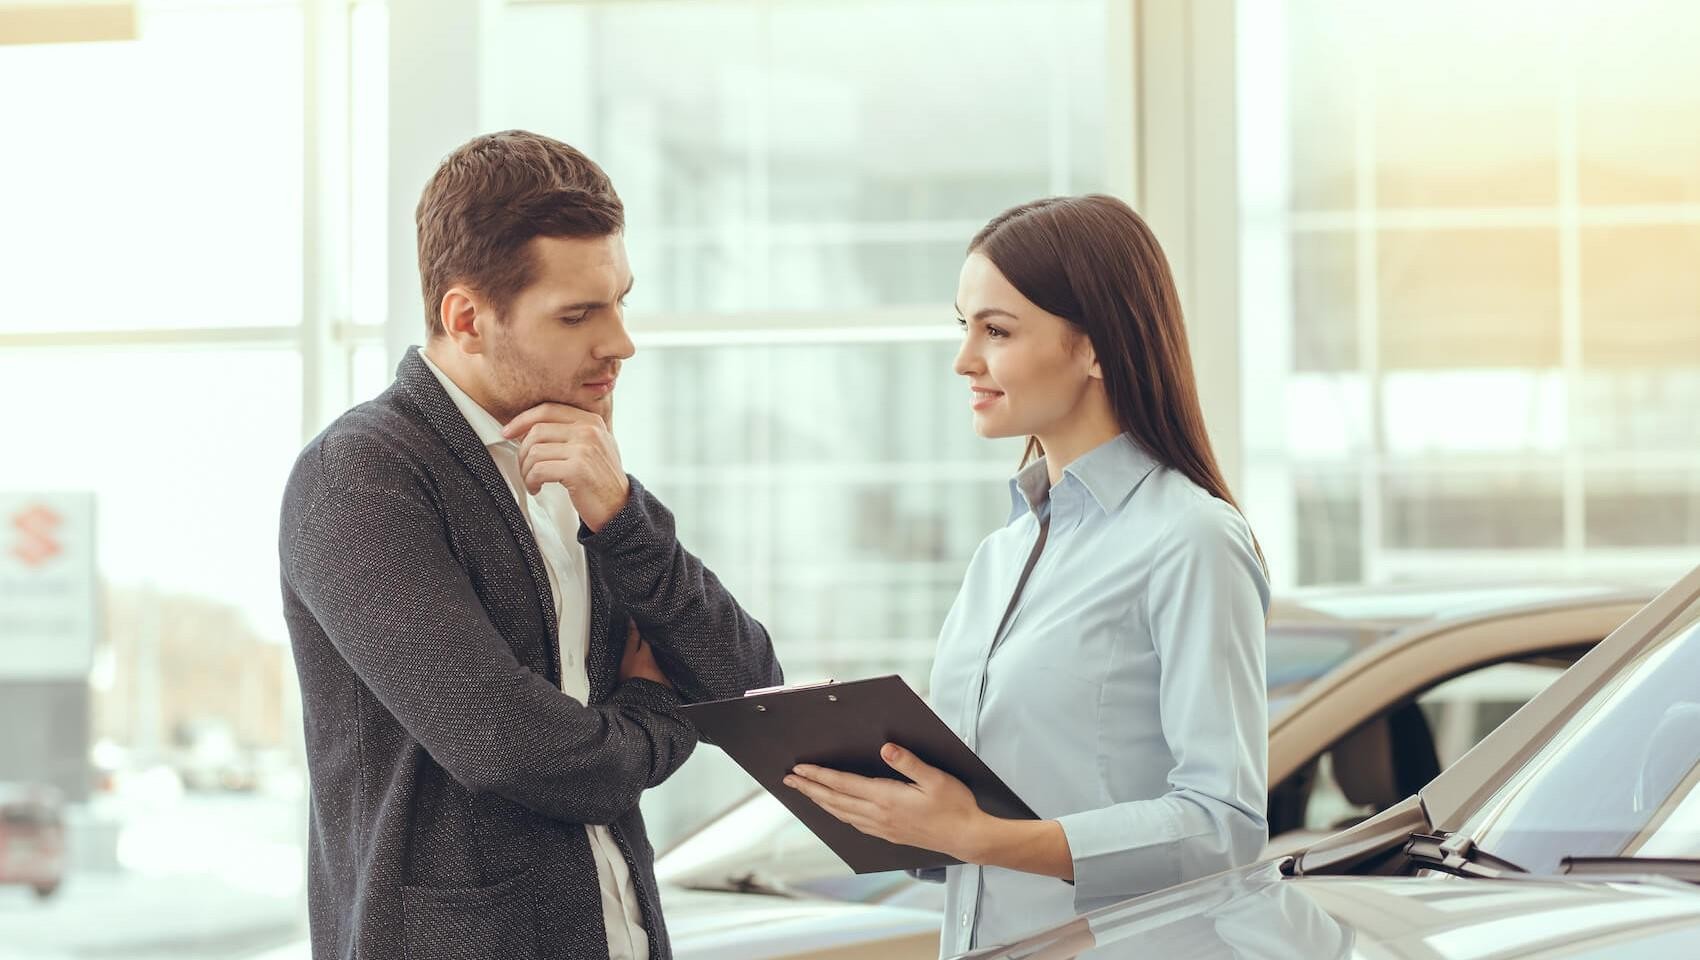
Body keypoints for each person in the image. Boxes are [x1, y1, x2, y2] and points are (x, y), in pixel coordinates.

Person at [279, 130, 782, 960]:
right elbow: (515, 750)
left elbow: (748, 688)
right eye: (579, 315)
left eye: (621, 300)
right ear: (468, 318)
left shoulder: (582, 465)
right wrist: (657, 713)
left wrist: (621, 517)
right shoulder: (358, 477)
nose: (620, 342)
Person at [784, 194, 1270, 955]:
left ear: (1096, 347)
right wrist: (881, 793)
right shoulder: (1001, 555)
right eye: (964, 326)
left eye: (997, 331)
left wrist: (986, 837)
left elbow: (1224, 825)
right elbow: (978, 828)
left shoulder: (1191, 538)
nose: (964, 360)